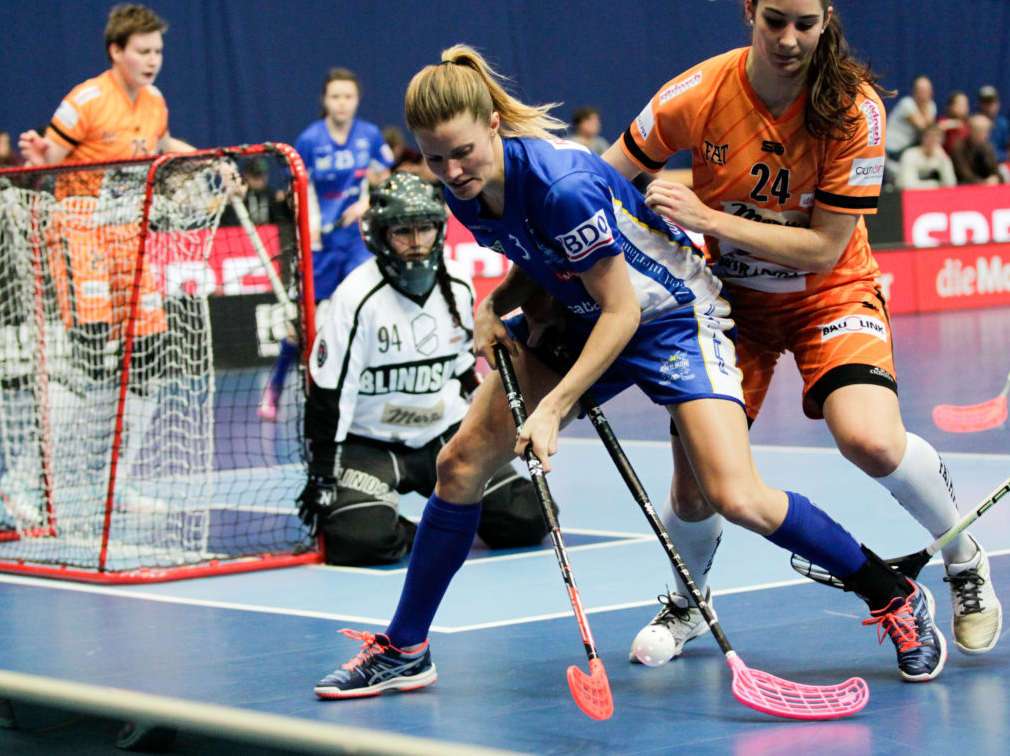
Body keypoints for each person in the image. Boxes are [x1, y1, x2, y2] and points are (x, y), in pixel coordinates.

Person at [311, 43, 947, 700]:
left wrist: (554, 407)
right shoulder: (466, 191)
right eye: (436, 158)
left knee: (736, 493)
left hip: (669, 315)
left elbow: (622, 312)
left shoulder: (562, 185)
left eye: (463, 152)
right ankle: (406, 646)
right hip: (577, 309)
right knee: (460, 463)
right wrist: (496, 304)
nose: (452, 169)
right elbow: (536, 254)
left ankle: (891, 592)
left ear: (493, 128)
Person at [602, 0, 1001, 661]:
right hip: (731, 308)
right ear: (749, 11)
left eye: (806, 24)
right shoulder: (696, 93)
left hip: (831, 293)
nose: (789, 40)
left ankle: (963, 555)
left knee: (871, 440)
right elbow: (604, 181)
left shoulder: (855, 109)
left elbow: (822, 248)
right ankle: (688, 601)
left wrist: (710, 219)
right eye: (775, 21)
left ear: (826, 21)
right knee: (696, 489)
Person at [1, 2, 197, 522]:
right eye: (143, 51)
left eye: (158, 50)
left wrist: (206, 160)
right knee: (86, 369)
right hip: (81, 239)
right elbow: (47, 164)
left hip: (129, 243)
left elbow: (158, 145)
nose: (153, 59)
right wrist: (38, 154)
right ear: (117, 51)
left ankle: (115, 481)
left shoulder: (154, 101)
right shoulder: (84, 101)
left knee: (152, 362)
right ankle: (22, 483)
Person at [300, 172, 548, 565]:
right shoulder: (356, 296)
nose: (416, 244)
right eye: (403, 232)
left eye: (426, 230)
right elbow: (330, 392)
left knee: (527, 519)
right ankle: (419, 529)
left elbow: (467, 374)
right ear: (380, 235)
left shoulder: (457, 282)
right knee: (360, 540)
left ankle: (449, 508)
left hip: (442, 437)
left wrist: (497, 431)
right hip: (372, 446)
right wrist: (323, 474)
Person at [259, 68, 394, 421]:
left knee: (361, 305)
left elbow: (385, 178)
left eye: (348, 96)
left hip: (356, 242)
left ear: (357, 99)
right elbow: (292, 191)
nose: (342, 103)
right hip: (319, 245)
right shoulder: (308, 140)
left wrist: (367, 203)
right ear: (325, 100)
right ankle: (274, 388)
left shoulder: (369, 135)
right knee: (301, 326)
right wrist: (310, 224)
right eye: (335, 97)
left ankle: (360, 389)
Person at [884, 74, 937, 161]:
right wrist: (944, 126)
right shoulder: (907, 104)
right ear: (914, 92)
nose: (925, 93)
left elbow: (930, 131)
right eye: (921, 90)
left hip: (908, 148)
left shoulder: (931, 106)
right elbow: (924, 128)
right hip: (892, 149)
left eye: (928, 90)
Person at [897, 124, 958, 189]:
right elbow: (907, 184)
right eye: (930, 136)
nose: (934, 140)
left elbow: (950, 184)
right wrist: (935, 184)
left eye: (938, 137)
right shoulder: (910, 155)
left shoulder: (941, 156)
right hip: (909, 196)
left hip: (935, 196)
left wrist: (944, 159)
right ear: (923, 137)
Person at [951, 113, 1001, 184]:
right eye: (978, 130)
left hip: (987, 184)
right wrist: (982, 182)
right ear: (971, 130)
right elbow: (963, 173)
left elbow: (995, 169)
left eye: (985, 131)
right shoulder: (960, 148)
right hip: (966, 185)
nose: (982, 134)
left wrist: (995, 178)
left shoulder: (988, 148)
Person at [976, 85, 1010, 159]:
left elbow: (1008, 149)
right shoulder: (974, 123)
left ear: (998, 104)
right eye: (985, 103)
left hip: (999, 162)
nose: (989, 107)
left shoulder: (1003, 123)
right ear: (980, 104)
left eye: (991, 103)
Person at [938, 90, 971, 156]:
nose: (964, 108)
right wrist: (955, 124)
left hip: (965, 157)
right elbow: (938, 128)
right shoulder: (944, 120)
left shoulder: (970, 124)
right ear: (951, 106)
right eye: (960, 105)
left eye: (965, 105)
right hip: (947, 157)